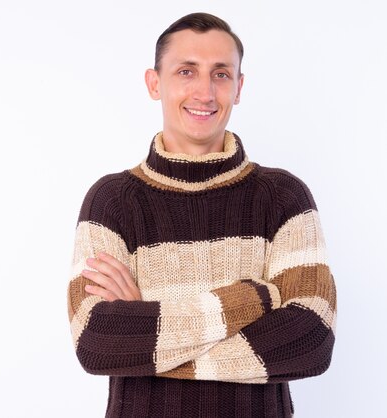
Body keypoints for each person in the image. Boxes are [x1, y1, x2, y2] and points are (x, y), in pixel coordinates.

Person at [66, 12, 336, 418]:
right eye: (186, 71)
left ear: (239, 87)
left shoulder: (284, 197)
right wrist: (257, 295)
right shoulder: (111, 201)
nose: (205, 92)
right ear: (154, 83)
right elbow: (96, 341)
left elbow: (311, 341)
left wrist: (147, 328)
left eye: (221, 74)